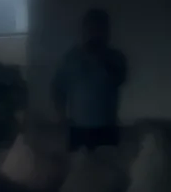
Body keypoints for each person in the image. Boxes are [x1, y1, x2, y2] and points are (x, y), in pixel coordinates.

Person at [51, 8, 128, 150]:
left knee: (107, 169)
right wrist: (61, 117)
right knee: (78, 168)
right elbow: (58, 88)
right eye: (91, 28)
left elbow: (119, 79)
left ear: (107, 31)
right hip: (78, 129)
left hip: (107, 128)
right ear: (84, 30)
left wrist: (101, 58)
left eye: (100, 28)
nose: (95, 33)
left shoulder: (116, 57)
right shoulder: (71, 58)